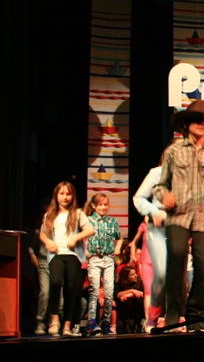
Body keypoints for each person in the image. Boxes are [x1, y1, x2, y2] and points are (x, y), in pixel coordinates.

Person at [153, 100, 204, 332]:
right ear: (186, 124)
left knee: (203, 268)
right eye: (197, 119)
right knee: (176, 260)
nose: (202, 124)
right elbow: (160, 185)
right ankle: (174, 318)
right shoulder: (174, 152)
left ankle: (194, 318)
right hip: (178, 216)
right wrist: (164, 197)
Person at [39, 181, 94, 336]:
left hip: (73, 255)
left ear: (72, 196)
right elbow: (43, 233)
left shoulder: (77, 213)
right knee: (55, 284)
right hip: (56, 254)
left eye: (68, 194)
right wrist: (48, 241)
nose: (64, 197)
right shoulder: (50, 214)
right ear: (56, 195)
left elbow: (89, 230)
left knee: (70, 289)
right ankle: (54, 320)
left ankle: (67, 326)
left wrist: (76, 237)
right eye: (61, 193)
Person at [131, 142, 175, 333]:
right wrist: (154, 211)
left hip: (179, 228)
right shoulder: (157, 173)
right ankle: (153, 316)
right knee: (162, 274)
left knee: (179, 277)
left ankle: (173, 319)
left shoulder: (190, 177)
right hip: (158, 228)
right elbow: (139, 198)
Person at [84, 193, 122, 335]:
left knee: (109, 292)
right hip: (94, 258)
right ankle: (92, 322)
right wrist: (86, 251)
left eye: (105, 204)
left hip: (108, 259)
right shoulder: (88, 221)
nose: (103, 207)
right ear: (94, 206)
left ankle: (106, 321)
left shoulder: (112, 221)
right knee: (94, 290)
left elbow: (119, 237)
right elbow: (81, 236)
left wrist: (117, 247)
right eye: (100, 204)